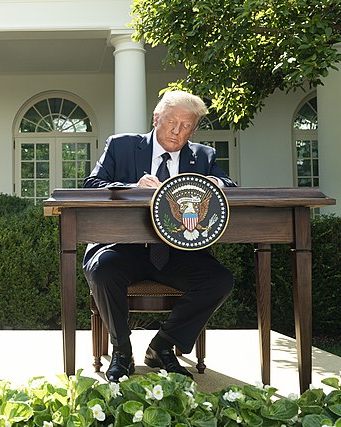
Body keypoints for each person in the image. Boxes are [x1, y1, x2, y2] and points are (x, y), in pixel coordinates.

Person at [82, 90, 237, 382]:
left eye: (186, 126)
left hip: (176, 253)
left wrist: (213, 182)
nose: (177, 131)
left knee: (219, 281)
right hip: (124, 247)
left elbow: (229, 184)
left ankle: (162, 346)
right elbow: (92, 184)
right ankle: (122, 351)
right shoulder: (121, 146)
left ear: (193, 129)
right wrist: (132, 187)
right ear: (156, 119)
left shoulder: (203, 155)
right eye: (171, 122)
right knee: (102, 269)